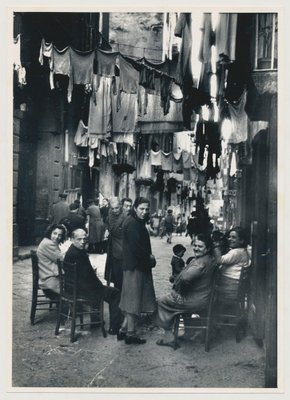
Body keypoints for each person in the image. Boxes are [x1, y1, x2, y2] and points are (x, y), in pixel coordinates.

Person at [155, 234, 216, 348]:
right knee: (174, 301)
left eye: (200, 246)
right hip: (203, 297)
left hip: (195, 300)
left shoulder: (200, 263)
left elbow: (185, 278)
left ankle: (169, 337)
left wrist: (179, 293)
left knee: (162, 301)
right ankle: (188, 332)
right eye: (195, 245)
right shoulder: (209, 259)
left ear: (207, 249)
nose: (196, 248)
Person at [64, 228, 122, 334]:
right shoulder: (78, 254)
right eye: (79, 239)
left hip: (73, 289)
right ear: (72, 239)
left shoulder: (72, 251)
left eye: (84, 239)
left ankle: (95, 321)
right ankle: (115, 327)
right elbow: (90, 278)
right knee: (115, 293)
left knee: (98, 287)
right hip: (82, 291)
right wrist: (100, 286)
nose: (82, 242)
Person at [118, 197, 157, 345]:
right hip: (135, 266)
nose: (144, 212)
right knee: (134, 300)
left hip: (134, 266)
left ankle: (123, 330)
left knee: (131, 299)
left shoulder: (134, 221)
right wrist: (150, 258)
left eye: (147, 209)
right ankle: (131, 334)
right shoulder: (133, 223)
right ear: (135, 208)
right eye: (141, 209)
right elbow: (136, 248)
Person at [213, 227, 251, 300]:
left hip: (229, 287)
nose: (229, 239)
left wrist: (216, 246)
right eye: (229, 237)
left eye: (233, 237)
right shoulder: (243, 251)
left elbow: (219, 260)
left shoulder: (236, 252)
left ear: (241, 241)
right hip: (234, 285)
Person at [36, 223, 66, 298]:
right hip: (50, 282)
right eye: (54, 233)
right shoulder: (49, 244)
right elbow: (62, 259)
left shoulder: (46, 241)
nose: (57, 237)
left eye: (60, 235)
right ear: (50, 232)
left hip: (47, 278)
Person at [104, 197, 126, 290]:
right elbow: (108, 226)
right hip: (112, 248)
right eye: (112, 208)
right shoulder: (110, 215)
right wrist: (107, 230)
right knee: (113, 273)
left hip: (122, 249)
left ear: (120, 206)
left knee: (120, 275)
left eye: (116, 208)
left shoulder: (125, 216)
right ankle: (117, 294)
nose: (114, 210)